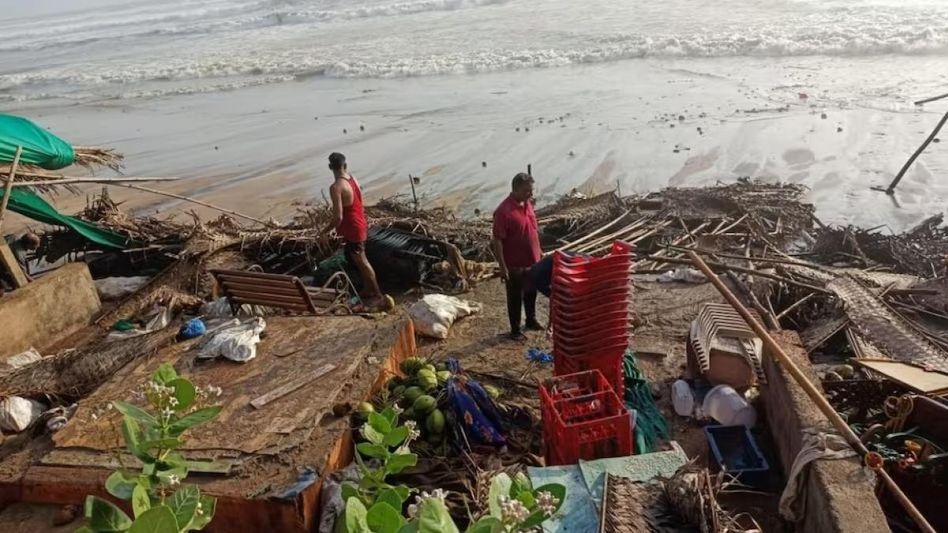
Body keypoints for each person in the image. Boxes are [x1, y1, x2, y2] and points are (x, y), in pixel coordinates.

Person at [324, 152, 384, 308]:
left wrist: (324, 231)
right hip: (360, 223)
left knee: (362, 262)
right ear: (345, 165)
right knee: (358, 260)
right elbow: (359, 203)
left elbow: (338, 217)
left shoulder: (336, 187)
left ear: (330, 167)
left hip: (353, 229)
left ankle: (377, 294)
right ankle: (368, 289)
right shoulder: (353, 179)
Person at [492, 173, 542, 340]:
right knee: (515, 297)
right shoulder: (503, 211)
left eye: (531, 190)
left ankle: (531, 320)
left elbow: (533, 229)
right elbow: (497, 240)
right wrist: (502, 267)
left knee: (531, 292)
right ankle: (515, 330)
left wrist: (539, 250)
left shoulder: (528, 204)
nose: (531, 194)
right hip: (515, 265)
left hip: (532, 261)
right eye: (527, 191)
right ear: (516, 189)